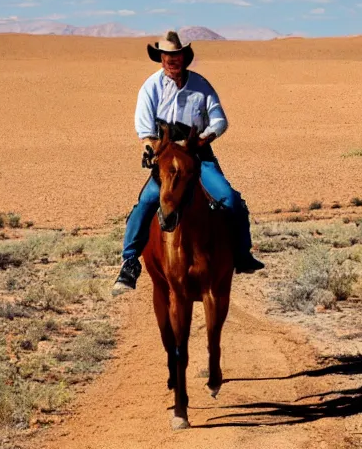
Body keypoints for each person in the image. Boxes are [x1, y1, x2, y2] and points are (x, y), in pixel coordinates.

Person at [112, 30, 264, 295]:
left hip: (198, 156)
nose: (171, 60)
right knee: (147, 202)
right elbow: (144, 129)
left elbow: (219, 119)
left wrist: (204, 139)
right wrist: (152, 148)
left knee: (230, 198)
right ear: (160, 58)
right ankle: (129, 262)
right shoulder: (151, 87)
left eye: (176, 54)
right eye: (166, 55)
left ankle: (242, 254)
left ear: (184, 57)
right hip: (167, 158)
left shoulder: (201, 85)